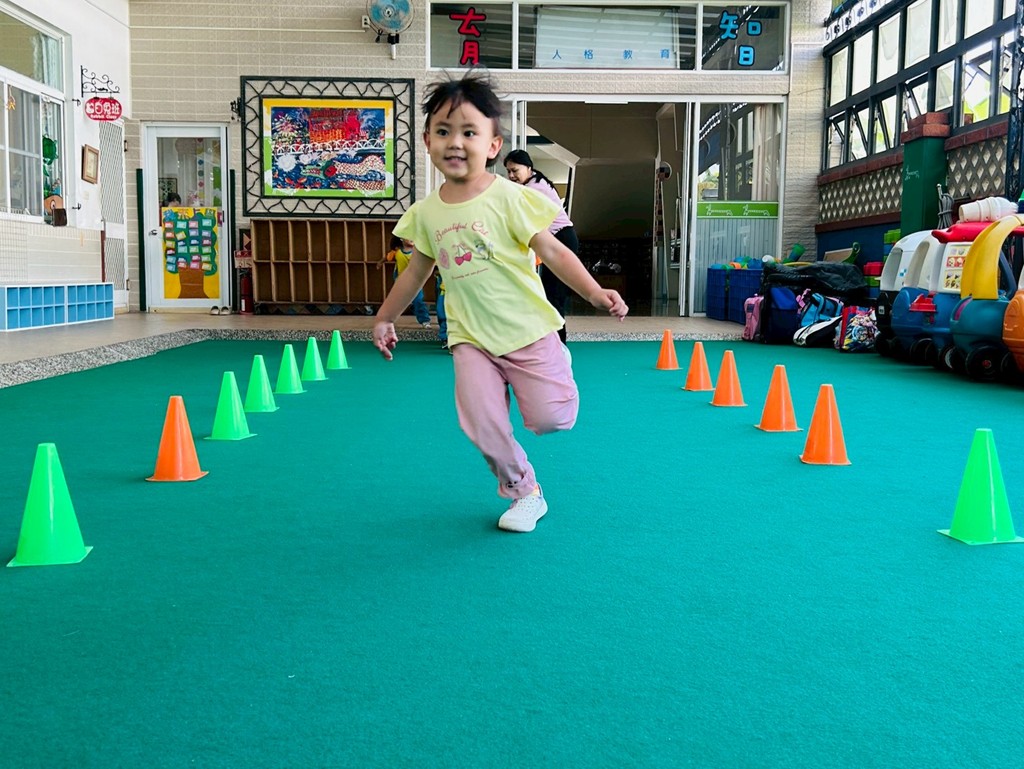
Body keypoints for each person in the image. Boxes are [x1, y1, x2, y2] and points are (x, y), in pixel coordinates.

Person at [372, 70, 628, 534]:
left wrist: (594, 292)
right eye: (444, 131)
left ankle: (557, 365)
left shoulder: (511, 198)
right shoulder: (425, 214)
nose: (455, 142)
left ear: (493, 145)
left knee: (552, 419)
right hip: (470, 337)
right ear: (427, 141)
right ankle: (524, 491)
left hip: (527, 329)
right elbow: (415, 271)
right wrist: (385, 318)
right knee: (481, 422)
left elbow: (553, 251)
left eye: (469, 132)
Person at [504, 148, 576, 344]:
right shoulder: (533, 183)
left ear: (528, 168)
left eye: (515, 170)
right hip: (556, 240)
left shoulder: (534, 188)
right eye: (509, 171)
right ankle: (551, 342)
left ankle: (559, 345)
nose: (511, 175)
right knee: (549, 295)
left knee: (554, 296)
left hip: (562, 239)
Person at [384, 236, 432, 329]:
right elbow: (387, 257)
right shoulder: (397, 251)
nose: (412, 238)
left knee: (418, 301)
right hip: (401, 282)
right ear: (402, 239)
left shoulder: (417, 252)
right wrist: (380, 262)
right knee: (395, 302)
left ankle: (425, 320)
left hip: (416, 282)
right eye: (408, 236)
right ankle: (388, 320)